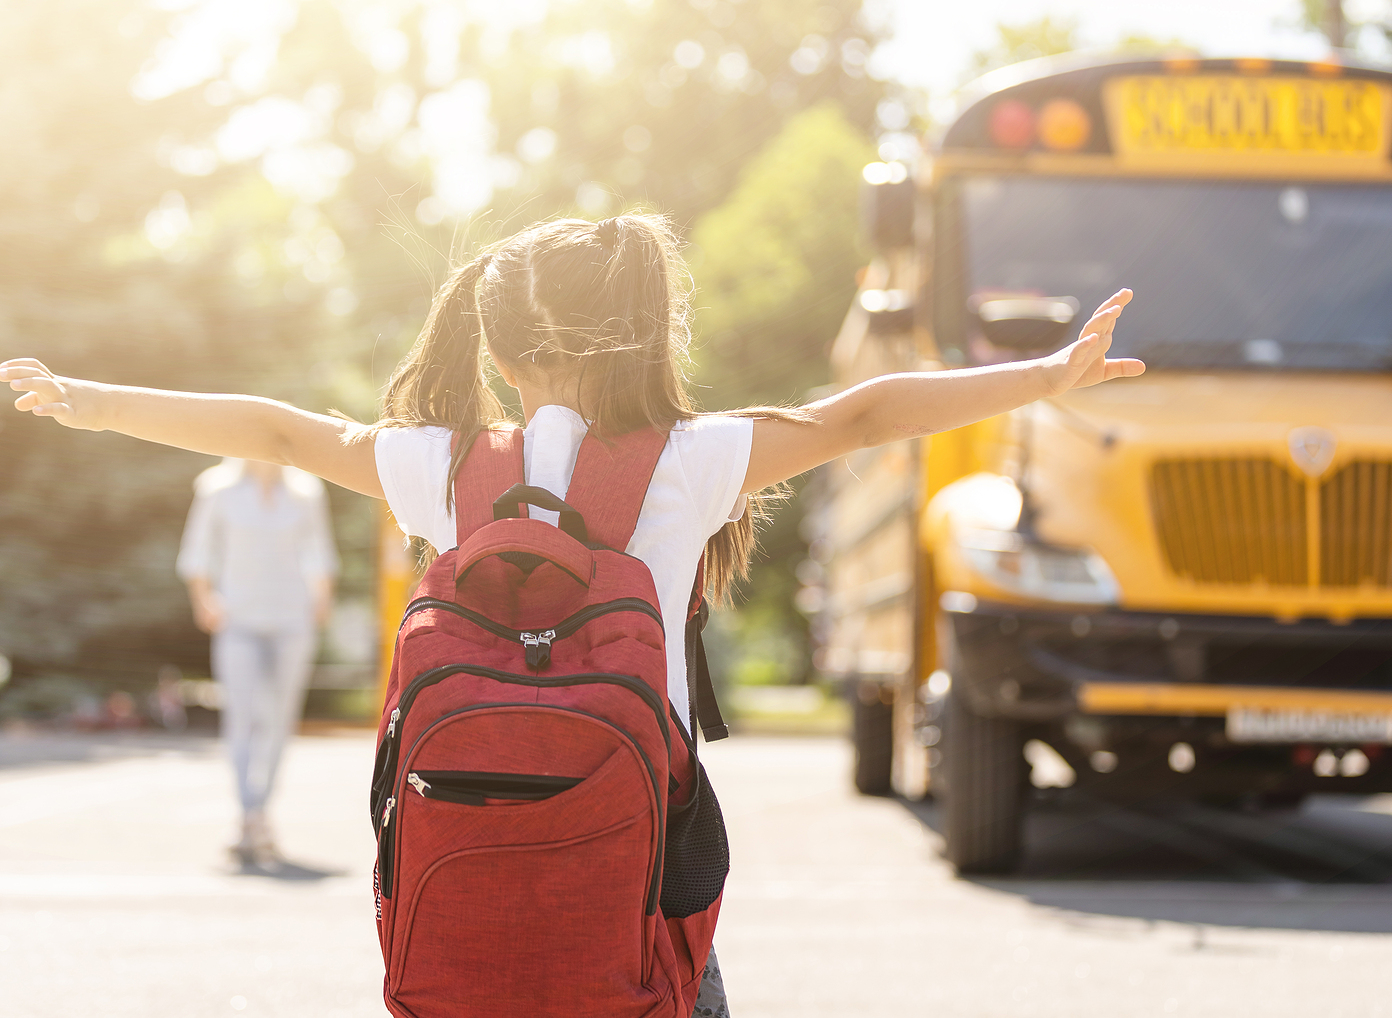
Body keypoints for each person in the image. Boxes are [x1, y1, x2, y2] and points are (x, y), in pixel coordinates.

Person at [3, 213, 1142, 1016]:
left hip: (471, 813)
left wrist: (93, 401)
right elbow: (859, 414)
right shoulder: (691, 460)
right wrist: (1042, 374)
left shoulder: (445, 464)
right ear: (642, 331)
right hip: (647, 829)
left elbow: (283, 431)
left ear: (492, 350)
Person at [177, 457, 337, 865]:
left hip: (292, 619)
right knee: (242, 715)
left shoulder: (306, 490)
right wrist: (203, 597)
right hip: (239, 619)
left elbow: (318, 549)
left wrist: (321, 596)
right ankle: (249, 814)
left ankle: (262, 811)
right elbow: (199, 549)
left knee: (279, 718)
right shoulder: (216, 488)